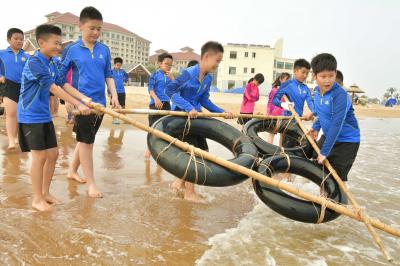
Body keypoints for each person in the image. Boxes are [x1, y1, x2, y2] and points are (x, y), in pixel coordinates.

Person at [18, 24, 91, 211]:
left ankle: (45, 193)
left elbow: (64, 84)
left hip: (44, 115)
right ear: (41, 42)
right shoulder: (35, 62)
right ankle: (36, 199)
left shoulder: (53, 62)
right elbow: (54, 88)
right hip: (30, 116)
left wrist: (83, 98)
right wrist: (78, 105)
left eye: (61, 44)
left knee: (53, 154)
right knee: (40, 156)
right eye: (55, 43)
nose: (59, 47)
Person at [59, 6, 120, 197]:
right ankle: (92, 184)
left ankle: (71, 171)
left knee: (85, 139)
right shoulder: (71, 50)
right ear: (81, 26)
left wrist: (114, 96)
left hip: (100, 104)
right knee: (87, 143)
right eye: (92, 28)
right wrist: (71, 101)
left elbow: (108, 74)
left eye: (99, 29)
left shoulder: (104, 49)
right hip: (82, 105)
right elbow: (61, 78)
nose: (95, 33)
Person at [165, 41, 233, 203]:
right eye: (217, 60)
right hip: (182, 119)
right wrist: (188, 107)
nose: (218, 64)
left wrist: (223, 112)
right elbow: (170, 91)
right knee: (193, 153)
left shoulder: (208, 79)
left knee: (203, 150)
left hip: (196, 119)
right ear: (207, 57)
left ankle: (178, 183)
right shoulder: (188, 73)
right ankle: (189, 193)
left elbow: (205, 100)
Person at [308, 53, 360, 182]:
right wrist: (315, 127)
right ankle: (321, 200)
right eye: (323, 76)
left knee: (335, 180)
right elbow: (322, 113)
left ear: (335, 73)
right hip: (328, 136)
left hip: (347, 142)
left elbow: (337, 124)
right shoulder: (316, 91)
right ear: (314, 76)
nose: (327, 80)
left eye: (331, 76)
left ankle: (335, 201)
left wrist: (325, 151)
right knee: (319, 172)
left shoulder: (340, 95)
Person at [0, 28, 28, 150]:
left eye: (21, 39)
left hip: (24, 87)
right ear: (8, 39)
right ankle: (11, 140)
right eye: (16, 38)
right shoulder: (2, 54)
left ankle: (16, 136)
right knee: (11, 113)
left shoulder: (27, 56)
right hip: (8, 85)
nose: (19, 41)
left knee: (19, 114)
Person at [144, 53, 174, 158]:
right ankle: (148, 150)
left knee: (165, 128)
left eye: (170, 65)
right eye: (166, 64)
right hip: (155, 104)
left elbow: (176, 89)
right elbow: (150, 89)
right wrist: (156, 99)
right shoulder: (155, 75)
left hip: (167, 105)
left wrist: (173, 79)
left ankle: (160, 151)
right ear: (160, 64)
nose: (168, 66)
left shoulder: (170, 76)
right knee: (152, 127)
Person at [266, 72, 291, 144]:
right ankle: (268, 151)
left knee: (283, 135)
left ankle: (281, 152)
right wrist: (268, 113)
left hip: (284, 115)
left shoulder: (287, 91)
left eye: (289, 80)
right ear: (281, 79)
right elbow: (270, 102)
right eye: (286, 79)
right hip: (274, 115)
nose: (287, 82)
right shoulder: (274, 90)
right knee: (272, 134)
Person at [110, 57, 129, 124]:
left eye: (120, 65)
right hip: (114, 92)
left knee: (123, 106)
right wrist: (109, 92)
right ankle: (115, 120)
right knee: (114, 106)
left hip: (122, 91)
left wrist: (126, 81)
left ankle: (125, 119)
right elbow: (108, 81)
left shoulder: (122, 71)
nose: (118, 66)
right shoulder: (111, 72)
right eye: (117, 65)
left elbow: (127, 76)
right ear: (114, 64)